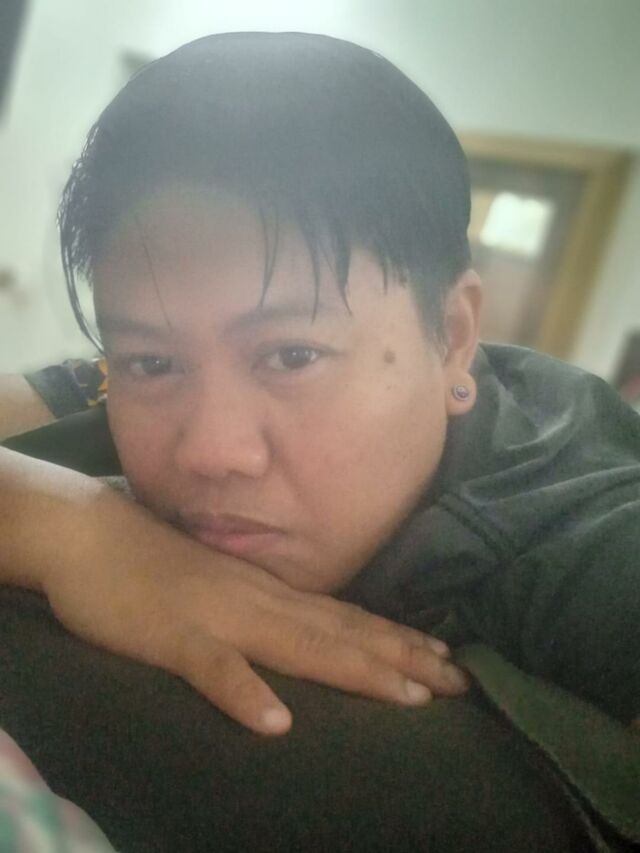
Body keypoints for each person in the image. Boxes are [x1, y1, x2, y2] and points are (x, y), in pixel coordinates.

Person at [1, 32, 639, 852]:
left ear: (451, 336)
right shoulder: (113, 386)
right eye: (152, 361)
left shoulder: (582, 529)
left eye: (291, 356)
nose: (211, 451)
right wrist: (67, 526)